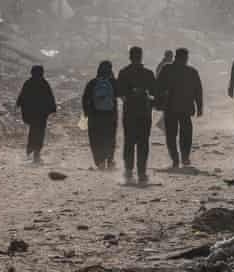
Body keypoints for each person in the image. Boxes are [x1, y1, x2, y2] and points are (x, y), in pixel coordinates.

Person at [116, 47, 157, 184]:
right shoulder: (148, 73)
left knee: (129, 141)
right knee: (143, 143)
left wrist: (129, 97)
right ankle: (142, 173)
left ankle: (128, 171)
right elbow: (155, 92)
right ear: (141, 57)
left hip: (129, 112)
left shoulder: (124, 72)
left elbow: (119, 92)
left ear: (130, 57)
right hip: (145, 112)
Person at [158, 48, 203, 168]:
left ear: (176, 57)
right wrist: (199, 107)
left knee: (171, 135)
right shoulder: (191, 71)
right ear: (185, 58)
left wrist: (158, 103)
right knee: (186, 134)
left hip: (170, 108)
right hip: (185, 109)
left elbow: (158, 87)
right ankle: (185, 157)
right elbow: (198, 91)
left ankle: (175, 159)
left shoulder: (167, 69)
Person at [16, 65, 57, 164]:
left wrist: (19, 104)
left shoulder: (28, 83)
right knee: (39, 133)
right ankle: (36, 153)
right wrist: (53, 109)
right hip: (41, 114)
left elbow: (22, 96)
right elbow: (50, 97)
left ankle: (31, 150)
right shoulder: (44, 83)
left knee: (33, 131)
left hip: (31, 113)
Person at [82, 61, 118, 170]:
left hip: (95, 115)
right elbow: (120, 94)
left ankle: (100, 162)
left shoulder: (92, 83)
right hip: (110, 115)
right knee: (110, 138)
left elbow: (85, 98)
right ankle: (110, 161)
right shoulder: (113, 82)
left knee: (96, 138)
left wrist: (86, 112)